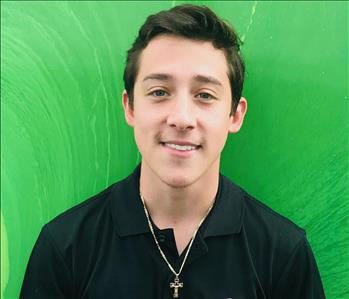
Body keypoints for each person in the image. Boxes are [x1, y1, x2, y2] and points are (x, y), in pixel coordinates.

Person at [20, 4, 326, 299]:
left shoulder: (283, 253)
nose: (181, 118)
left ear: (235, 115)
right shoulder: (64, 248)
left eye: (205, 95)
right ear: (129, 107)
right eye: (159, 92)